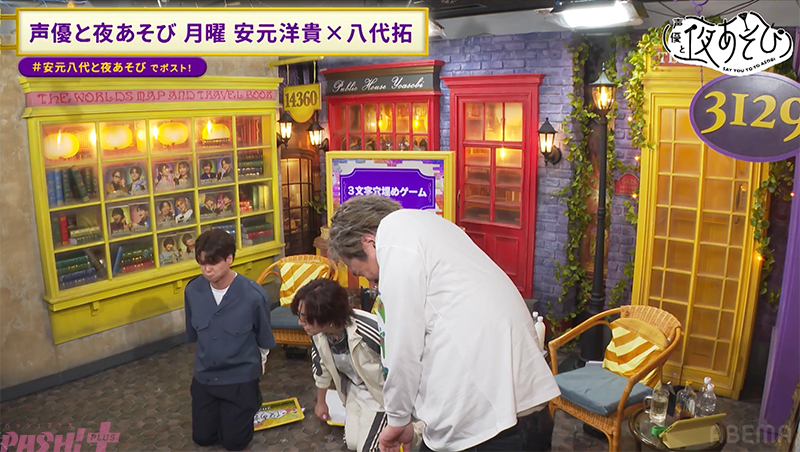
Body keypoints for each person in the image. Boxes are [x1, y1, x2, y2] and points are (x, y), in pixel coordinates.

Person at [328, 196, 560, 452]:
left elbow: (401, 347)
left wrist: (397, 419)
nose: (372, 284)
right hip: (525, 410)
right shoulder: (432, 227)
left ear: (369, 243)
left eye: (361, 272)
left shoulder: (394, 239)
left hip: (487, 427)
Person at [291, 279, 422, 452]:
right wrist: (321, 402)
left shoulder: (371, 330)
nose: (301, 323)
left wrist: (404, 409)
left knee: (368, 448)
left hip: (381, 395)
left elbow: (404, 364)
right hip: (353, 391)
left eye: (306, 318)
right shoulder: (318, 334)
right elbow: (321, 368)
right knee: (352, 443)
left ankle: (416, 430)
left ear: (326, 316)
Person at [184, 229, 276, 451]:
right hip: (206, 378)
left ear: (229, 259)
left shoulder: (254, 296)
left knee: (234, 443)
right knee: (203, 438)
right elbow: (194, 334)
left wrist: (258, 369)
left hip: (240, 379)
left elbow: (264, 339)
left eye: (213, 263)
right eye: (202, 263)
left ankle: (251, 400)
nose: (207, 269)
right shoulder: (192, 291)